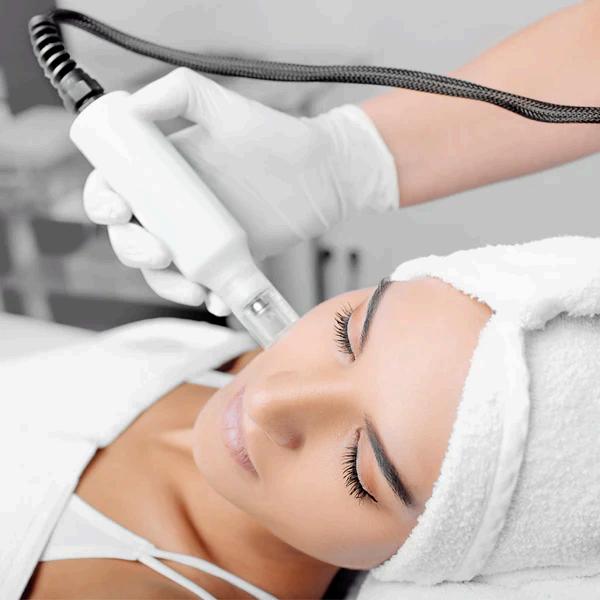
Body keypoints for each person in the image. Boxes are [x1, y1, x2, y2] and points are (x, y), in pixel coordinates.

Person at [12, 2, 600, 598]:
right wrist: (352, 156)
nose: (269, 397)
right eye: (348, 331)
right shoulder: (219, 364)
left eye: (357, 470)